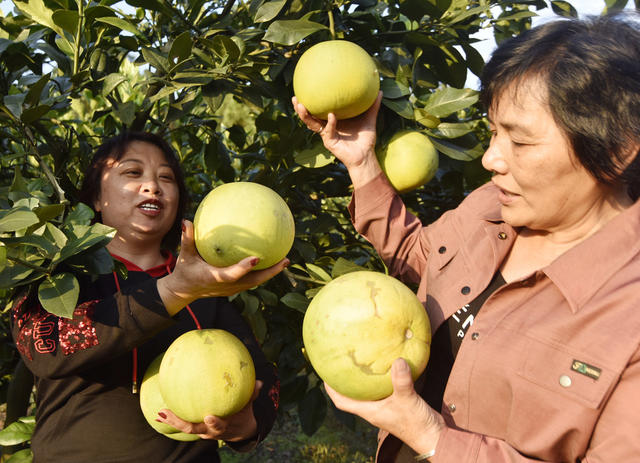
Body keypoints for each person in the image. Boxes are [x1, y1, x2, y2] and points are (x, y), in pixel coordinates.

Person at [293, 12, 640, 463]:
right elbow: (421, 259)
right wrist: (361, 164)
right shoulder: (492, 208)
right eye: (493, 132)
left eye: (521, 142)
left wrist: (433, 436)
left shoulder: (626, 313)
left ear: (617, 149)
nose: (491, 159)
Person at [10, 131, 289, 462]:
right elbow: (42, 346)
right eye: (132, 172)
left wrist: (244, 423)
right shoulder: (60, 275)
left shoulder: (208, 288)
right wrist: (175, 290)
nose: (152, 186)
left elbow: (263, 378)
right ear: (97, 199)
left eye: (166, 178)